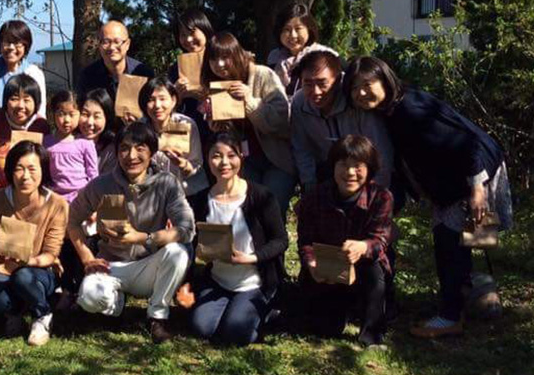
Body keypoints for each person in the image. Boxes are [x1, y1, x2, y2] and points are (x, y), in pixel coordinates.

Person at [344, 56, 512, 338]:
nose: (361, 93)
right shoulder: (391, 109)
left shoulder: (409, 109)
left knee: (450, 241)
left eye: (367, 84)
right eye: (353, 88)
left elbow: (464, 143)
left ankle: (450, 315)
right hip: (454, 182)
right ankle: (465, 294)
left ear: (384, 79)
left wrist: (477, 189)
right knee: (454, 240)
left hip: (472, 174)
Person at [67, 122, 195, 343]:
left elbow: (187, 228)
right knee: (88, 297)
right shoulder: (102, 184)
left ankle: (157, 315)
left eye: (140, 148)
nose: (131, 156)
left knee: (178, 253)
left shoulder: (166, 183)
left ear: (152, 152)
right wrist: (87, 257)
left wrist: (143, 238)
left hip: (149, 265)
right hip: (111, 264)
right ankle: (115, 307)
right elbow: (72, 220)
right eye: (124, 148)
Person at [295, 135, 394, 347]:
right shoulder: (315, 196)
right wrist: (311, 263)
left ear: (369, 169)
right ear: (332, 166)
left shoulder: (381, 197)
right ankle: (340, 312)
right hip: (327, 271)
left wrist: (363, 246)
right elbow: (305, 240)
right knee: (324, 329)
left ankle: (371, 334)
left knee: (375, 271)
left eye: (358, 166)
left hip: (364, 270)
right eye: (343, 165)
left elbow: (381, 240)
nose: (349, 173)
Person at [190, 133, 288, 346]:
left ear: (241, 157)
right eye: (216, 156)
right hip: (218, 281)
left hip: (253, 282)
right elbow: (192, 240)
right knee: (201, 328)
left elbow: (281, 240)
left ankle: (265, 312)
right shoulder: (200, 200)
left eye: (231, 155)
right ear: (207, 160)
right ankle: (233, 310)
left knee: (235, 333)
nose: (224, 162)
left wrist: (251, 258)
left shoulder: (261, 196)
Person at [0, 141, 68, 347]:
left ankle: (42, 315)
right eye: (19, 169)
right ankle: (14, 313)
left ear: (43, 170)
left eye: (32, 169)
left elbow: (51, 252)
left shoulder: (57, 204)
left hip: (40, 270)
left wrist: (29, 260)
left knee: (24, 277)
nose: (25, 176)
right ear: (10, 171)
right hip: (5, 268)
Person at [204, 33, 296, 216]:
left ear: (237, 55)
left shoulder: (262, 74)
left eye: (225, 57)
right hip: (246, 162)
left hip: (276, 161)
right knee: (249, 214)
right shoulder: (218, 86)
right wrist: (216, 125)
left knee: (273, 212)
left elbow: (282, 120)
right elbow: (231, 133)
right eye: (214, 59)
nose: (220, 64)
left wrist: (249, 100)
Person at [290, 49, 393, 193]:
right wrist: (309, 186)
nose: (316, 91)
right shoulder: (299, 104)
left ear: (338, 80)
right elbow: (302, 148)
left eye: (322, 83)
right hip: (328, 172)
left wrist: (377, 193)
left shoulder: (356, 100)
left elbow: (381, 150)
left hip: (364, 171)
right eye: (308, 84)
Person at [139, 77, 208, 205]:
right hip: (152, 198)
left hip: (187, 195)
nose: (157, 105)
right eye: (151, 100)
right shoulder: (140, 128)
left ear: (174, 100)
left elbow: (197, 165)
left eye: (162, 99)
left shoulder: (186, 124)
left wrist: (183, 165)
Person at [0, 74, 49, 193]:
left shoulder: (41, 126)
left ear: (36, 103)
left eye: (26, 100)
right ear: (5, 101)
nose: (20, 106)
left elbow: (44, 166)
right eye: (14, 99)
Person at [266, 3, 338, 95]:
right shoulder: (274, 57)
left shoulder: (325, 55)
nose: (293, 35)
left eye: (298, 29)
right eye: (286, 30)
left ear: (309, 29)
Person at [76, 20, 155, 101]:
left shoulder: (142, 73)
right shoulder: (88, 76)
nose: (111, 47)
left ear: (127, 44)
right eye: (106, 42)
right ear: (99, 45)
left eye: (117, 42)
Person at [0, 19, 48, 116]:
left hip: (26, 130)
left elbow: (40, 110)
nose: (11, 47)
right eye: (7, 42)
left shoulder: (34, 74)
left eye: (17, 43)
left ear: (26, 46)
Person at [43, 90, 98, 204]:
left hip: (80, 199)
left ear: (79, 114)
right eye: (61, 114)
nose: (67, 120)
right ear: (53, 114)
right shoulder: (46, 142)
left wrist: (92, 203)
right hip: (54, 200)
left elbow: (93, 175)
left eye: (72, 114)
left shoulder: (85, 143)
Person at [168, 8, 215, 128]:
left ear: (204, 29)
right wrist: (175, 96)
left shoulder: (219, 61)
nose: (188, 39)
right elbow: (168, 110)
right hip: (188, 132)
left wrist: (207, 95)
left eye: (192, 32)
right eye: (183, 34)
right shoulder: (175, 69)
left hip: (218, 130)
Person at [78, 88, 119, 174]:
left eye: (96, 116)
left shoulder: (112, 150)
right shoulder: (69, 141)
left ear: (107, 118)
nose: (89, 122)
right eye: (85, 114)